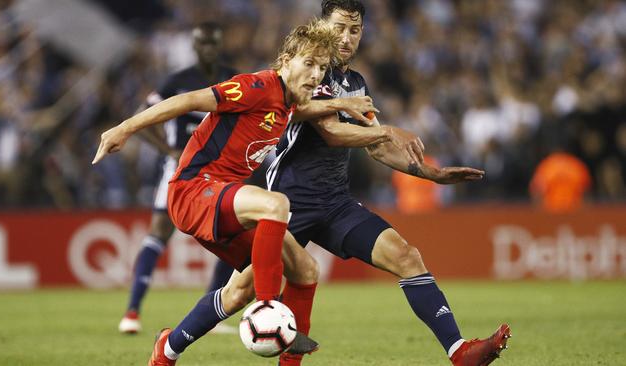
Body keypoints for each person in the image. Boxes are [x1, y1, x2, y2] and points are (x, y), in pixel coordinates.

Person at [93, 19, 377, 366]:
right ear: (285, 61)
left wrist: (339, 105)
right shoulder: (256, 86)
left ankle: (167, 350)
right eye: (308, 63)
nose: (316, 74)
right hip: (193, 190)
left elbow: (302, 110)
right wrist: (124, 128)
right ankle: (269, 306)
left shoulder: (287, 102)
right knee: (276, 204)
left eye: (321, 67)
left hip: (224, 201)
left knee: (301, 272)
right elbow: (187, 100)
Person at [266, 1, 511, 365]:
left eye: (355, 30)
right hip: (289, 202)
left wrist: (432, 174)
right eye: (339, 27)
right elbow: (333, 133)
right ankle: (170, 348)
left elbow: (377, 148)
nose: (346, 38)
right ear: (321, 25)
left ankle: (459, 351)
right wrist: (387, 128)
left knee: (406, 256)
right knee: (239, 292)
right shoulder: (310, 71)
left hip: (335, 204)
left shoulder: (356, 82)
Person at [119, 22, 239, 335]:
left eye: (214, 43)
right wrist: (169, 150)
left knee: (230, 235)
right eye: (203, 43)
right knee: (159, 231)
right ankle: (132, 310)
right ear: (195, 46)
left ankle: (211, 311)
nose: (209, 49)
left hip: (220, 169)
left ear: (219, 44)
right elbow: (140, 118)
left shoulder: (234, 79)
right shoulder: (177, 81)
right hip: (181, 168)